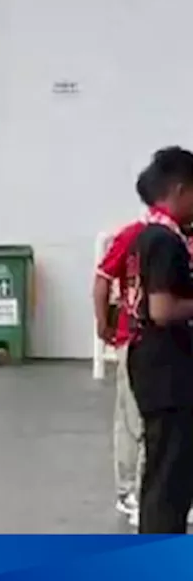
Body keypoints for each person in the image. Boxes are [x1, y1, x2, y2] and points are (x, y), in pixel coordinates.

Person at [127, 147, 193, 533]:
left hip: (152, 365)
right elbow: (163, 309)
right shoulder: (165, 241)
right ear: (181, 189)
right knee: (169, 481)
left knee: (162, 476)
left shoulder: (146, 235)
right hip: (168, 372)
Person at [95, 167, 158, 524]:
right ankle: (129, 489)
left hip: (176, 344)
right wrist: (104, 323)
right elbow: (103, 279)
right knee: (133, 417)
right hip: (134, 339)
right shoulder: (132, 235)